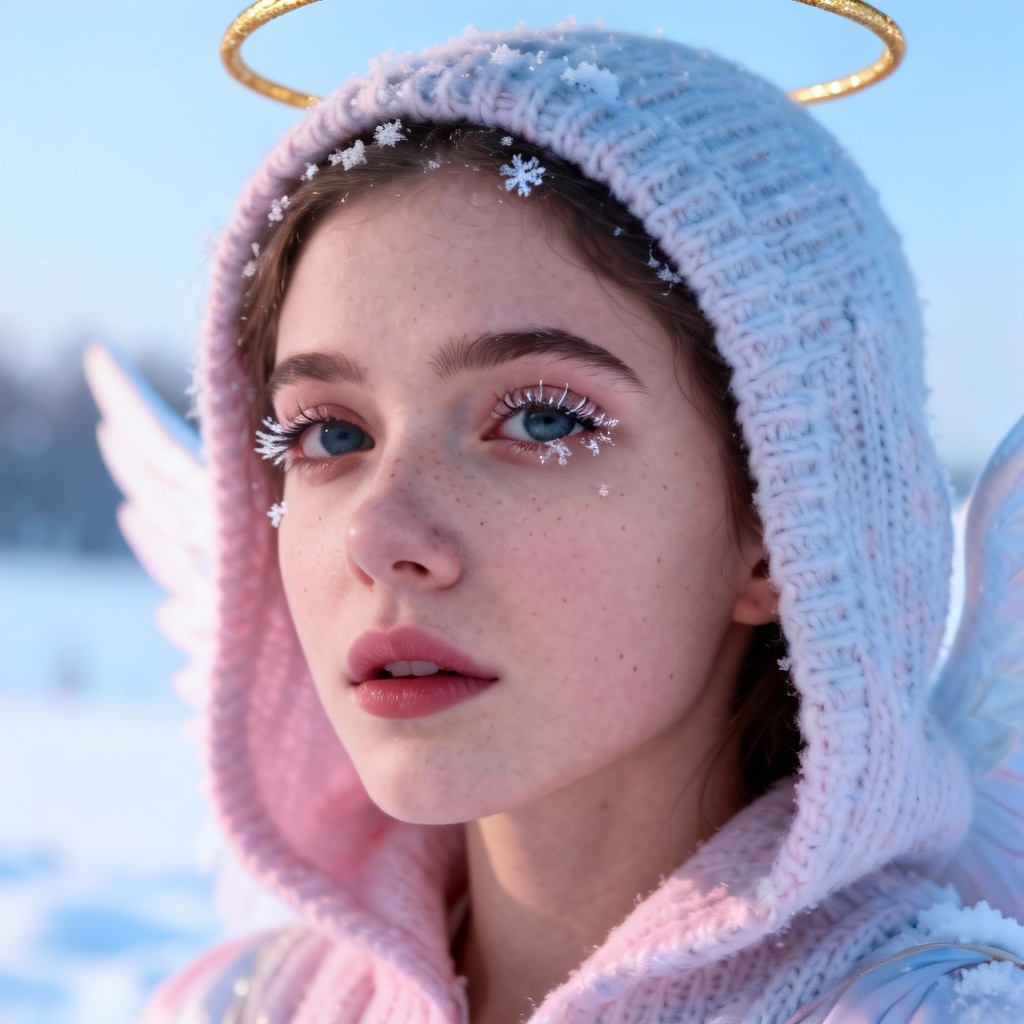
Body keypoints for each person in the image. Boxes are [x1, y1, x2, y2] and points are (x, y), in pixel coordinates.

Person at [89, 17, 1024, 1024]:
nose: (378, 532)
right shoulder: (251, 1002)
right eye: (326, 434)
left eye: (539, 418)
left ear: (780, 526)